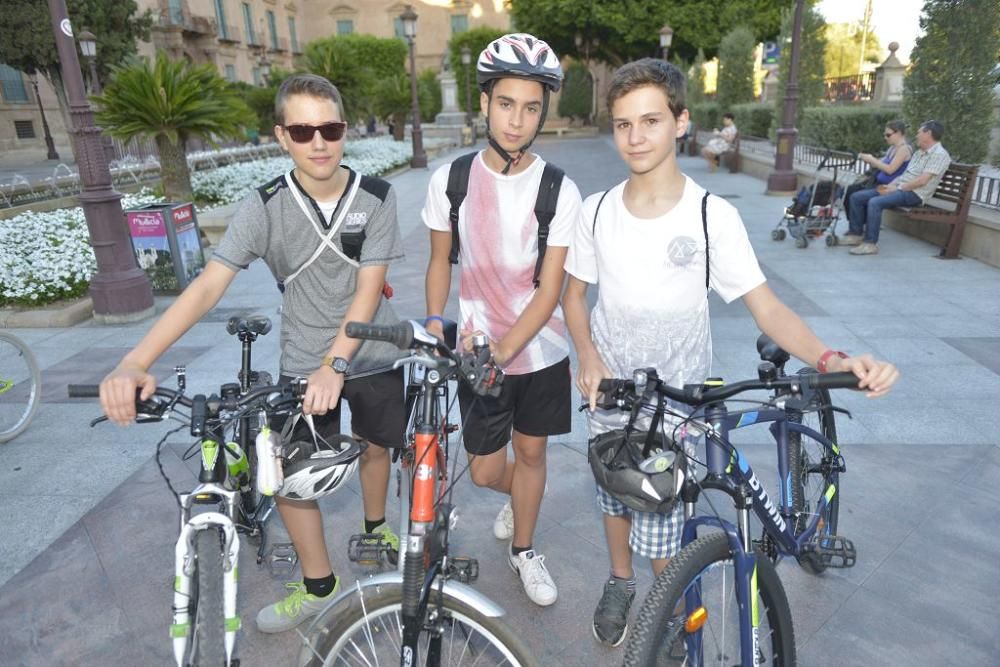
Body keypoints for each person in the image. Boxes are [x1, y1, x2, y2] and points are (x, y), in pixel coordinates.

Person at [561, 58, 900, 647]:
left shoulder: (711, 216)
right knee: (610, 484)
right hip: (612, 386)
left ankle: (664, 612)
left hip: (680, 398)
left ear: (681, 122)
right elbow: (574, 297)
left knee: (663, 512)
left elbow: (767, 308)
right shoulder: (594, 211)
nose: (635, 137)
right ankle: (620, 580)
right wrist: (587, 354)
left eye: (650, 121)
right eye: (622, 124)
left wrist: (829, 359)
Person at [98, 74, 407, 633]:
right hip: (302, 361)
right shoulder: (264, 207)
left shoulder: (377, 197)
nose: (319, 142)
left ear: (345, 131)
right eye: (303, 129)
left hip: (370, 352)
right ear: (281, 136)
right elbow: (206, 287)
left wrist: (336, 364)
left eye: (331, 128)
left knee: (375, 447)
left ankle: (376, 523)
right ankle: (318, 585)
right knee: (285, 473)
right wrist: (135, 360)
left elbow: (368, 290)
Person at [421, 33, 583, 607]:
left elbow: (550, 291)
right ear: (485, 103)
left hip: (539, 350)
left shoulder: (559, 191)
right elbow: (441, 260)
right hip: (477, 347)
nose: (518, 120)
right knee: (488, 471)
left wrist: (503, 352)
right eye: (507, 103)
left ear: (544, 111)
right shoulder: (453, 181)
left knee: (533, 453)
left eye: (532, 107)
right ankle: (522, 499)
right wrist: (435, 322)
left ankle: (525, 548)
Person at [845, 120, 951, 255]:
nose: (916, 136)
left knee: (874, 202)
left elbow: (922, 181)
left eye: (919, 132)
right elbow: (905, 175)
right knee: (856, 197)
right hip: (901, 188)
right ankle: (855, 235)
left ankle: (870, 244)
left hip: (915, 194)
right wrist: (891, 185)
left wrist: (897, 188)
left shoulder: (939, 155)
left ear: (928, 134)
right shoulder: (919, 153)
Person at [845, 120, 912, 226]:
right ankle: (856, 225)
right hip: (877, 183)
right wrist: (870, 160)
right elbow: (880, 164)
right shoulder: (892, 148)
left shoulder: (904, 149)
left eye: (888, 135)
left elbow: (890, 169)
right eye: (885, 135)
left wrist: (872, 159)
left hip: (888, 187)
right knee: (848, 190)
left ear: (898, 133)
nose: (885, 137)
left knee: (855, 195)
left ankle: (857, 228)